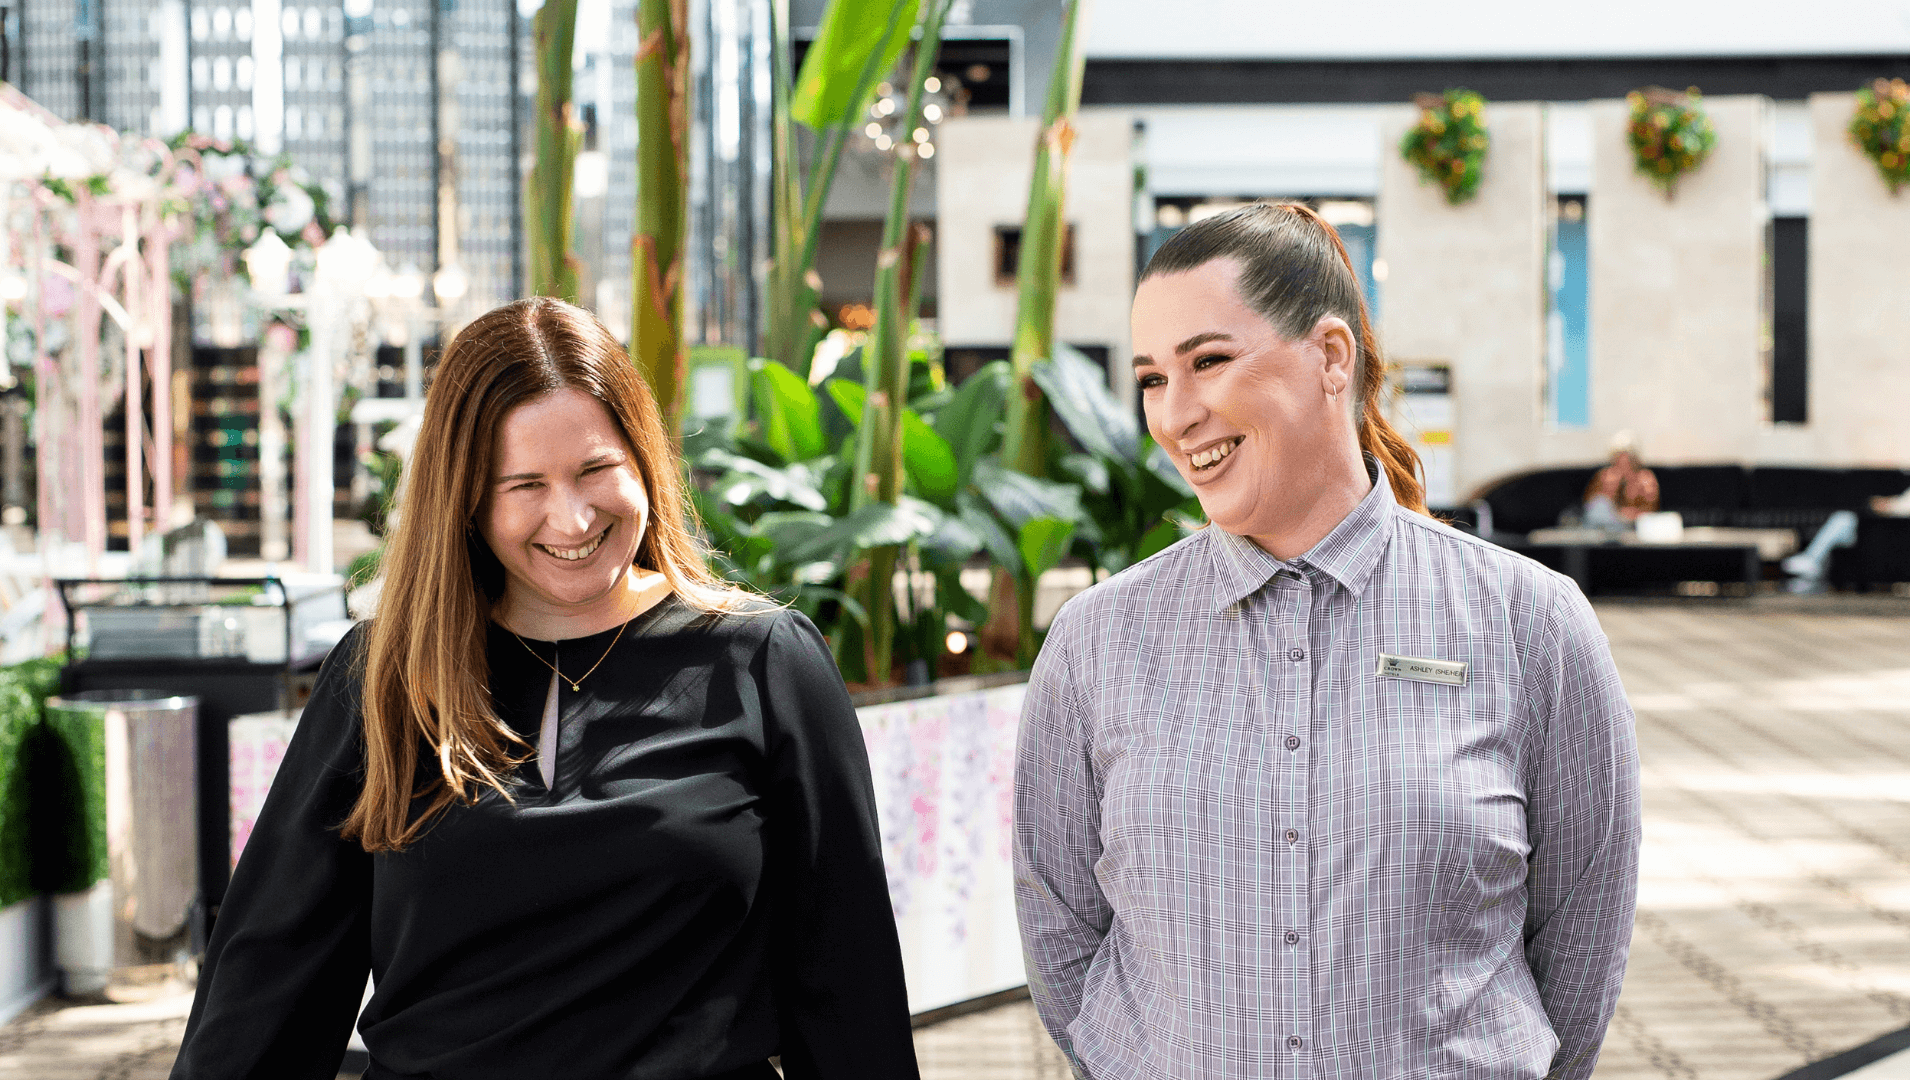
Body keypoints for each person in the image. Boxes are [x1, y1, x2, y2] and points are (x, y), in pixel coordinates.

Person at [172, 298, 919, 1080]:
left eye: (597, 469)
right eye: (524, 484)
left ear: (644, 460)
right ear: (463, 497)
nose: (571, 518)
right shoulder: (384, 677)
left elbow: (847, 982)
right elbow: (267, 985)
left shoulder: (763, 660)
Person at [1014, 203, 1641, 1080]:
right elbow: (1059, 924)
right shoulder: (1097, 641)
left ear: (1330, 359)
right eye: (1154, 377)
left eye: (1210, 361)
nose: (1176, 414)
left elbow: (1583, 933)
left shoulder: (1530, 623)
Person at [1782, 484, 1910, 591]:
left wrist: (1886, 505)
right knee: (1841, 519)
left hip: (1888, 533)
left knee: (1843, 519)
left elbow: (1902, 508)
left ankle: (1813, 560)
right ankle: (1814, 562)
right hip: (1878, 533)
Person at [1581, 433, 1659, 529]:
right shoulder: (1606, 476)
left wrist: (1629, 514)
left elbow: (1650, 510)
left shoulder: (1645, 479)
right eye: (1618, 457)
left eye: (1627, 457)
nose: (1623, 462)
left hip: (1636, 526)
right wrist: (1611, 490)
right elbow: (1592, 507)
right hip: (1606, 528)